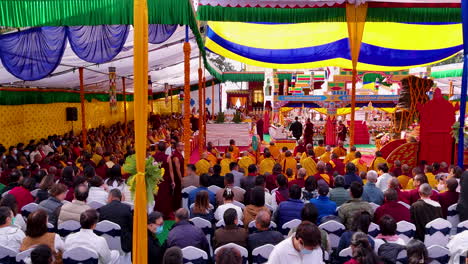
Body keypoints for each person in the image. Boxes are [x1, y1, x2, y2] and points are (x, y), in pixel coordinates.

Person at [98, 189, 133, 253]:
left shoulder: (103, 209)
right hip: (123, 244)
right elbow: (131, 227)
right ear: (120, 198)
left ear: (111, 197)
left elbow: (99, 227)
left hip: (106, 243)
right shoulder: (127, 208)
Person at [153, 141, 174, 218]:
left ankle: (156, 212)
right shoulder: (168, 157)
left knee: (157, 196)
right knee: (165, 196)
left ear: (158, 148)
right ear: (165, 149)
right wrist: (173, 181)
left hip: (156, 180)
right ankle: (165, 214)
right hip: (165, 180)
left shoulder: (153, 157)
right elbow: (171, 171)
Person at [170, 142, 184, 211]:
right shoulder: (176, 156)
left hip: (179, 176)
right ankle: (176, 208)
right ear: (177, 147)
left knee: (178, 193)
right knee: (177, 193)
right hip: (177, 178)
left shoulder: (179, 154)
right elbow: (177, 168)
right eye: (181, 145)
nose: (183, 146)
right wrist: (181, 179)